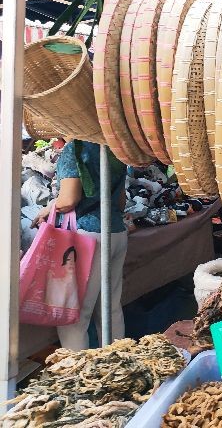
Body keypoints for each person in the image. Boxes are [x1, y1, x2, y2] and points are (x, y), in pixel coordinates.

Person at [34, 140, 128, 350]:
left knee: (76, 316)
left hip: (88, 237)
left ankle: (79, 376)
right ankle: (120, 368)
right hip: (117, 232)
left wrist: (48, 208)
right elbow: (121, 202)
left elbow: (69, 198)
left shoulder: (74, 148)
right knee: (110, 309)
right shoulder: (116, 147)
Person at [44, 246, 80, 311]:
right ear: (63, 263)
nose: (71, 263)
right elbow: (47, 306)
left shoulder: (78, 287)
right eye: (68, 259)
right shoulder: (53, 282)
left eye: (74, 260)